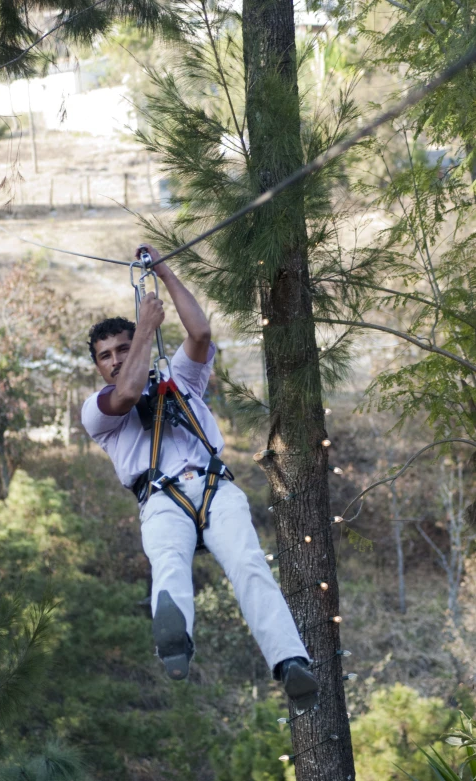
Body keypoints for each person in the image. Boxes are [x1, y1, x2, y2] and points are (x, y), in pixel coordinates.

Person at [81, 244, 319, 711]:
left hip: (214, 488)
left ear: (141, 349)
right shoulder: (98, 411)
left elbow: (201, 331)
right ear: (97, 366)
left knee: (249, 565)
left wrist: (165, 273)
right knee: (168, 562)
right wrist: (145, 327)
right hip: (160, 499)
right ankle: (175, 642)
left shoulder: (180, 378)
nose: (114, 360)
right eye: (105, 355)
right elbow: (128, 391)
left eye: (123, 349)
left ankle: (290, 660)